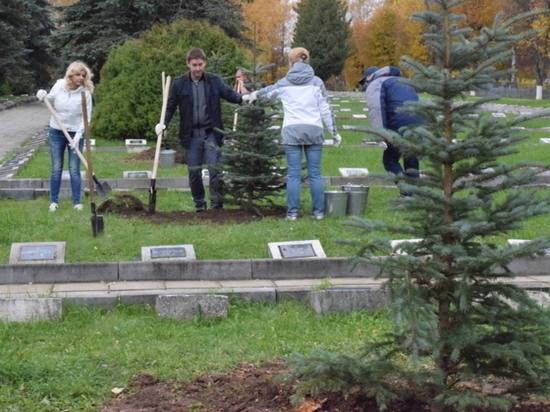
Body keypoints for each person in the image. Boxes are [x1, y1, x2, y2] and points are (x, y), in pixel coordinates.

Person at [246, 47, 342, 221]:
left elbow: (268, 94)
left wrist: (253, 95)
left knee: (294, 175)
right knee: (315, 173)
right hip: (314, 130)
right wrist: (334, 133)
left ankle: (292, 213)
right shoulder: (317, 82)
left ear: (290, 62)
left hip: (291, 131)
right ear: (308, 61)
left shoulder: (284, 82)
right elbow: (326, 109)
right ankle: (318, 213)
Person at [156, 48, 245, 211]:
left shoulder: (214, 80)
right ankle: (200, 204)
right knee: (194, 172)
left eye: (200, 65)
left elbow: (228, 94)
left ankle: (217, 205)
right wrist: (163, 123)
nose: (197, 69)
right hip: (191, 136)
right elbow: (170, 106)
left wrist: (243, 98)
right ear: (188, 64)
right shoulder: (180, 83)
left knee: (215, 169)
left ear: (205, 63)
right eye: (194, 65)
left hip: (211, 133)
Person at [36, 61, 94, 212]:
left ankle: (77, 202)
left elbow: (86, 118)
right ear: (71, 75)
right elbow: (49, 101)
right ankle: (54, 202)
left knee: (74, 168)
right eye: (77, 74)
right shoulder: (59, 86)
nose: (81, 78)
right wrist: (42, 96)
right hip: (57, 131)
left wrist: (78, 136)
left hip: (76, 132)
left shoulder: (85, 93)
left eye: (83, 75)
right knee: (56, 168)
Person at [360, 66, 422, 180]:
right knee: (411, 160)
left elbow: (376, 110)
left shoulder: (376, 84)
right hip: (418, 124)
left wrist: (380, 135)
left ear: (368, 77)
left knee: (390, 160)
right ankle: (416, 195)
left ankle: (408, 192)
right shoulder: (404, 82)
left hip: (398, 123)